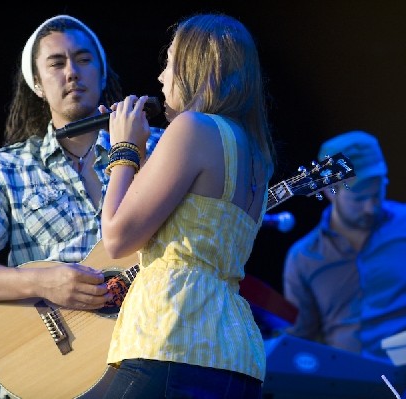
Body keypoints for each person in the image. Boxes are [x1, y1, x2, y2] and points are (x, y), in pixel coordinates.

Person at [0, 14, 162, 398]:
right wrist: (43, 282)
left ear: (103, 74)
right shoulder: (7, 168)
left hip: (144, 363)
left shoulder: (157, 147)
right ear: (37, 84)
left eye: (84, 59)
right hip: (48, 376)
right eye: (57, 63)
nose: (72, 72)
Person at [100, 13, 276, 398]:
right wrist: (146, 156)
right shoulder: (257, 156)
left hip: (171, 334)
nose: (161, 77)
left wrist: (123, 149)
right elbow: (191, 226)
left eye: (169, 62)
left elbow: (116, 236)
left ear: (198, 66)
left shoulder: (193, 128)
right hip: (235, 355)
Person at [282, 130, 406, 393]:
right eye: (359, 199)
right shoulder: (303, 258)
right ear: (329, 191)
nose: (371, 207)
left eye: (378, 192)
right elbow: (300, 339)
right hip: (345, 386)